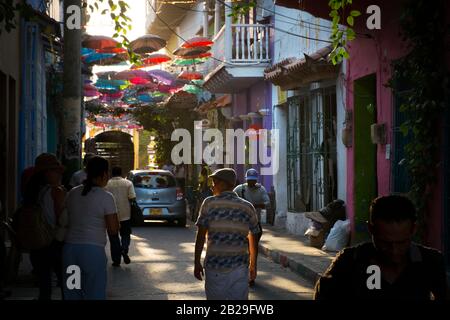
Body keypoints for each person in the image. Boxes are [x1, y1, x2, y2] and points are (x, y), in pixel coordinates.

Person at [314, 195, 448, 300]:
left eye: (401, 243)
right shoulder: (350, 261)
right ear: (371, 229)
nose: (394, 251)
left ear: (413, 229)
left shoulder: (431, 262)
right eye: (385, 243)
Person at [194, 168, 260, 300]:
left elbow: (201, 235)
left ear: (224, 184)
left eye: (215, 182)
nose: (212, 186)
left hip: (215, 268)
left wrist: (196, 262)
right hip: (240, 268)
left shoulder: (209, 203)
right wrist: (253, 265)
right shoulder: (247, 207)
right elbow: (254, 236)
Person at [63, 156, 120, 300]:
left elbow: (64, 219)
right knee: (94, 294)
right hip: (92, 253)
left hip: (70, 251)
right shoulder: (106, 197)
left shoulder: (72, 193)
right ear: (104, 174)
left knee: (72, 293)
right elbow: (113, 229)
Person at [22, 153, 67, 300]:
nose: (60, 174)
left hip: (39, 243)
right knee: (71, 280)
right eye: (56, 170)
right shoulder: (57, 191)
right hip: (56, 243)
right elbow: (62, 219)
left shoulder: (34, 192)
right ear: (47, 173)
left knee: (44, 286)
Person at [233, 168, 270, 287]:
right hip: (240, 225)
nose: (251, 183)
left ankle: (251, 276)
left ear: (256, 180)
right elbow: (230, 197)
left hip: (254, 224)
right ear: (246, 180)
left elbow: (268, 203)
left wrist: (256, 205)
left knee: (252, 252)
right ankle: (240, 275)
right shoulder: (240, 189)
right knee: (240, 251)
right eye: (249, 180)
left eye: (253, 181)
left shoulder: (261, 189)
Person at [105, 166, 136, 266]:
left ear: (111, 173)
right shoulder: (128, 183)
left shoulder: (106, 184)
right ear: (121, 173)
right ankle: (124, 249)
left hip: (111, 215)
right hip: (125, 214)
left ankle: (116, 260)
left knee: (113, 237)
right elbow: (132, 197)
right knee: (126, 234)